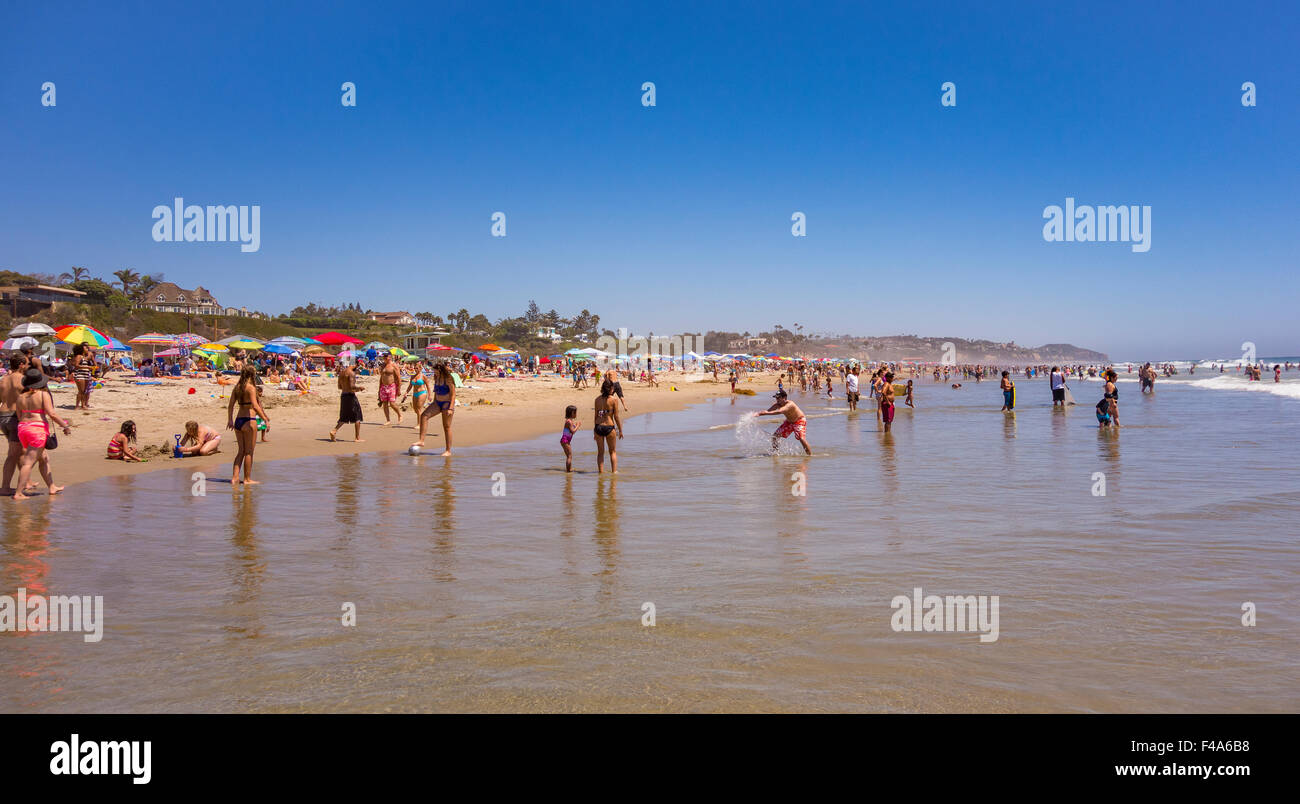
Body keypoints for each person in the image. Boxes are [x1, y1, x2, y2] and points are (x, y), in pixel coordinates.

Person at [11, 368, 71, 499]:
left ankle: (52, 486)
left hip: (23, 429)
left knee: (43, 459)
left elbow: (19, 416)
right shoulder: (43, 395)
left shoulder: (20, 397)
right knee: (29, 462)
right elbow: (52, 414)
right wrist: (65, 426)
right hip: (37, 430)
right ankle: (18, 492)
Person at [226, 366, 268, 485]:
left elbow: (230, 406)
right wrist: (265, 419)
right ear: (252, 375)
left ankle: (234, 478)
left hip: (238, 420)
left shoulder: (237, 387)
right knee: (249, 452)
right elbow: (255, 406)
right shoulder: (251, 388)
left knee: (241, 451)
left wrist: (230, 420)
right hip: (249, 420)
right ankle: (247, 479)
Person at [1, 353, 30, 496]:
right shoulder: (23, 379)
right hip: (14, 417)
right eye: (27, 363)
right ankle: (5, 487)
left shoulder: (4, 379)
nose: (28, 366)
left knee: (19, 451)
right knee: (12, 454)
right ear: (21, 365)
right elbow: (27, 400)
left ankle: (26, 482)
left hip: (2, 417)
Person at [413, 361, 455, 456]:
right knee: (424, 416)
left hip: (447, 404)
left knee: (446, 427)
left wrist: (451, 408)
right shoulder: (436, 377)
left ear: (441, 370)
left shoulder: (448, 379)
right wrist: (433, 402)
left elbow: (453, 394)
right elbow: (436, 391)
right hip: (437, 403)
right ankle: (421, 441)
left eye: (436, 371)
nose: (434, 373)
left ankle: (448, 450)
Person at [757, 389, 811, 454]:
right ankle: (775, 453)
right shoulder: (777, 404)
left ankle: (809, 456)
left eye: (778, 398)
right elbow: (768, 411)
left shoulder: (790, 404)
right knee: (775, 436)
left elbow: (780, 411)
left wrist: (765, 413)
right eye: (776, 398)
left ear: (784, 398)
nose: (777, 399)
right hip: (789, 422)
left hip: (799, 421)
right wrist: (757, 414)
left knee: (801, 438)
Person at [329, 363, 365, 442]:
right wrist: (360, 388)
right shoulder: (351, 373)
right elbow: (352, 386)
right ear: (355, 365)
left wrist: (348, 387)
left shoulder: (341, 373)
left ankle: (334, 431)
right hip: (350, 396)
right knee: (357, 416)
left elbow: (339, 387)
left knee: (344, 416)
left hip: (343, 395)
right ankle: (357, 438)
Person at [593, 378, 623, 472]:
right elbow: (616, 417)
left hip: (598, 426)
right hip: (609, 427)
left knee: (600, 453)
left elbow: (596, 416)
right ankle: (614, 473)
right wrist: (620, 430)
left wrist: (595, 430)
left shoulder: (597, 399)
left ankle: (600, 474)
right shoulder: (614, 400)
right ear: (610, 388)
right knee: (612, 452)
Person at [377, 353, 403, 425]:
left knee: (392, 403)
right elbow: (381, 378)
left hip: (392, 386)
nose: (384, 358)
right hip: (383, 386)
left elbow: (398, 378)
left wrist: (399, 389)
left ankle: (400, 415)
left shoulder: (394, 365)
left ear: (390, 357)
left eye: (386, 357)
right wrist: (379, 389)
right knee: (384, 404)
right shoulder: (382, 366)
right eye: (384, 357)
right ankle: (388, 420)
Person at [69, 343, 94, 410]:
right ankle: (77, 406)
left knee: (84, 391)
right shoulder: (79, 356)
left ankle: (83, 405)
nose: (87, 349)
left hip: (85, 375)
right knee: (81, 391)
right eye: (86, 348)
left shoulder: (84, 357)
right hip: (80, 375)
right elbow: (76, 365)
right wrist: (87, 366)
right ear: (82, 350)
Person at [560, 404, 581, 472]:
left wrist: (575, 425)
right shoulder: (569, 422)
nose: (576, 414)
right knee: (569, 456)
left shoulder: (570, 421)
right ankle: (568, 471)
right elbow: (572, 432)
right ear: (572, 413)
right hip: (565, 441)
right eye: (575, 413)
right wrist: (578, 426)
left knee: (569, 456)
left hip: (566, 441)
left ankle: (569, 469)